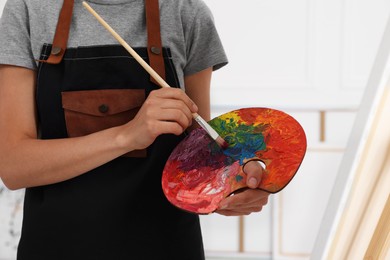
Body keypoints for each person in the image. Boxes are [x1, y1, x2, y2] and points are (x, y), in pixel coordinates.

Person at [0, 0, 270, 259]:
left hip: (166, 248)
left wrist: (230, 186)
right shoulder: (28, 8)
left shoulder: (186, 12)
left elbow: (202, 154)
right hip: (55, 249)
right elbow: (13, 166)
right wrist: (128, 136)